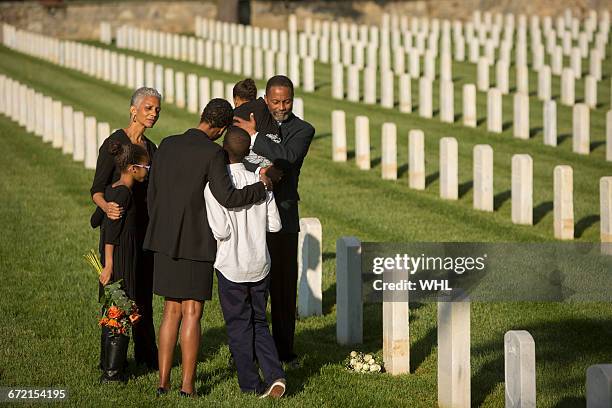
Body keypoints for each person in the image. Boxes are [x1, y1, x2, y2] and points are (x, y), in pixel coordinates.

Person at [144, 98, 274, 397]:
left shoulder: (166, 143)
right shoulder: (212, 152)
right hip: (196, 240)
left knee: (169, 312)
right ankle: (187, 385)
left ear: (202, 116)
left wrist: (162, 226)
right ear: (222, 128)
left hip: (163, 239)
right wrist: (261, 187)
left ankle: (162, 382)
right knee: (191, 312)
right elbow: (227, 196)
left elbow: (152, 192)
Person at [234, 75, 315, 366]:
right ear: (266, 99)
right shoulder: (251, 117)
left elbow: (288, 157)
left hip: (283, 214)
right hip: (251, 213)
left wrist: (255, 138)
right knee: (251, 287)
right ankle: (246, 351)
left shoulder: (303, 129)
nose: (282, 106)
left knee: (282, 287)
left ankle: (284, 351)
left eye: (287, 101)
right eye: (276, 101)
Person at [204, 126, 286, 398]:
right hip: (260, 263)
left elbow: (221, 231)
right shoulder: (260, 181)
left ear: (222, 151)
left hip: (232, 266)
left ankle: (250, 384)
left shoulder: (213, 187)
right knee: (260, 322)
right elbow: (274, 225)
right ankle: (275, 374)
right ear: (248, 152)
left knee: (239, 326)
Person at [91, 87, 161, 371]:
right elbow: (96, 189)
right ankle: (111, 364)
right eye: (148, 108)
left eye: (157, 109)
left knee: (143, 295)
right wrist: (107, 206)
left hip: (144, 231)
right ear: (134, 110)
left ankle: (147, 357)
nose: (154, 113)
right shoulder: (114, 144)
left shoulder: (151, 148)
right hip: (118, 230)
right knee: (118, 296)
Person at [98, 140, 151, 382]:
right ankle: (112, 373)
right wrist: (109, 265)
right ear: (132, 168)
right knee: (120, 310)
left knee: (114, 309)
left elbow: (95, 218)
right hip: (120, 259)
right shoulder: (124, 194)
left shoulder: (113, 189)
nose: (147, 172)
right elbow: (111, 230)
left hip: (119, 256)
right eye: (145, 167)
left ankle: (108, 364)